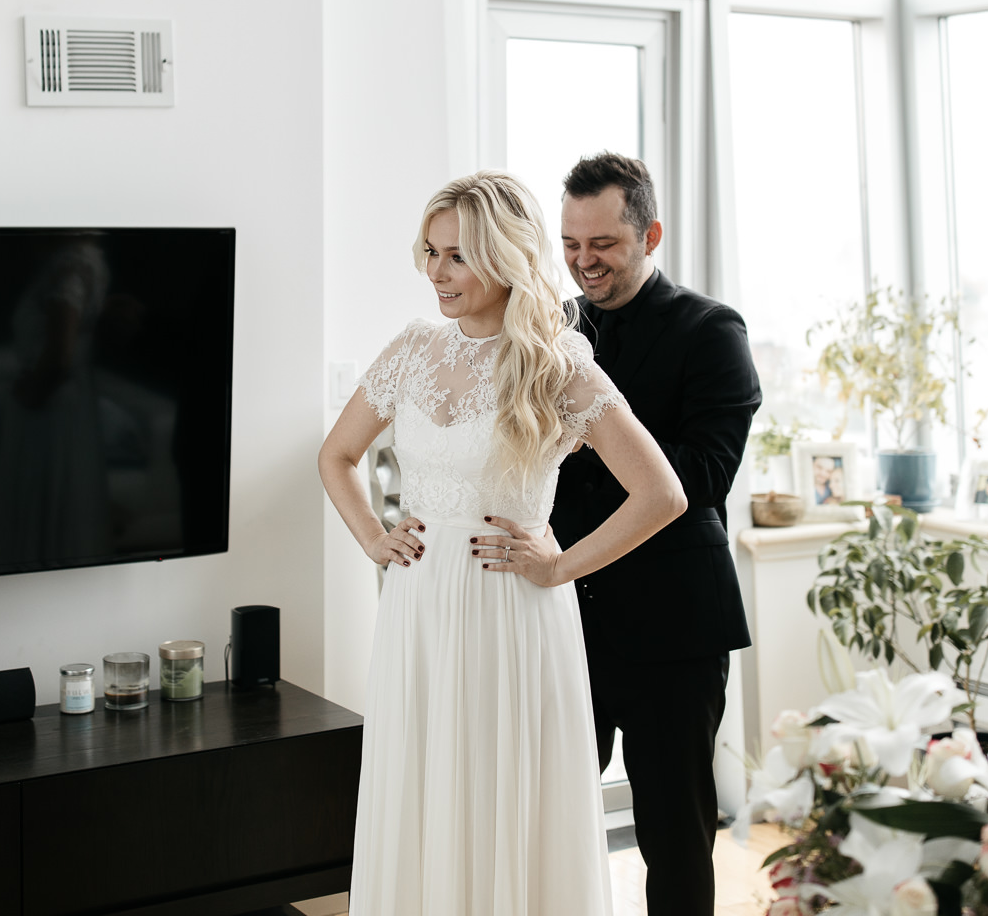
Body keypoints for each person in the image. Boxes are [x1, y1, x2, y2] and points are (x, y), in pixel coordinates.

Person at [319, 171, 687, 916]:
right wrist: (372, 538)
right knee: (424, 784)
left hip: (511, 613)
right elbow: (336, 456)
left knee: (501, 789)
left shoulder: (557, 364)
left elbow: (662, 493)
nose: (438, 273)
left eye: (459, 256)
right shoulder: (411, 350)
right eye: (431, 252)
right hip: (419, 608)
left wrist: (559, 567)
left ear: (507, 257)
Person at [544, 151, 762, 915]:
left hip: (676, 627)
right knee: (555, 816)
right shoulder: (554, 328)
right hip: (567, 612)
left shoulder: (712, 330)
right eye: (570, 243)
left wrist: (593, 441)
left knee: (673, 830)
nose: (582, 261)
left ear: (651, 233)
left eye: (602, 244)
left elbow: (706, 474)